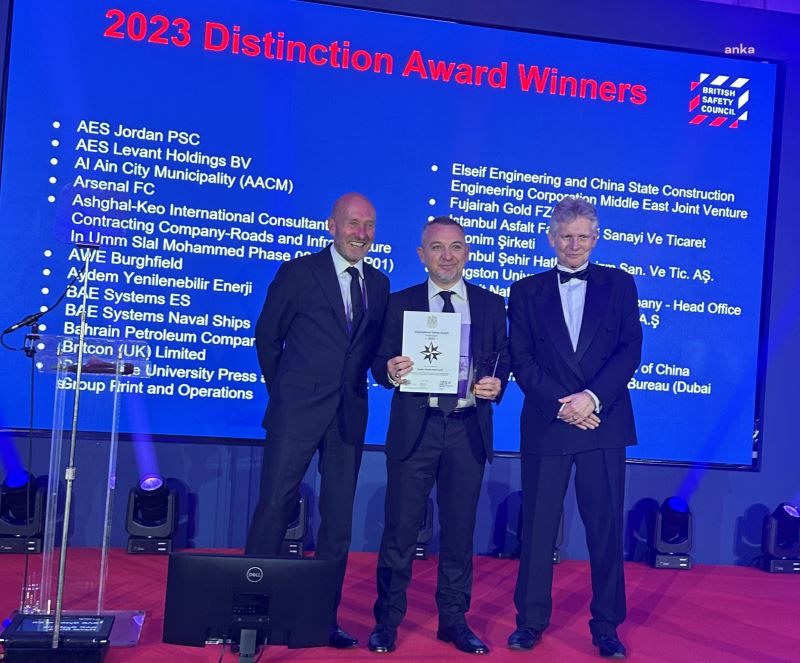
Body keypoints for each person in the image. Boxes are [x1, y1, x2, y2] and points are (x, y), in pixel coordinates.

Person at [245, 192, 389, 649]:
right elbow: (267, 338)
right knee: (274, 508)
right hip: (296, 413)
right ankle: (250, 618)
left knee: (338, 524)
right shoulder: (299, 273)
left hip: (348, 415)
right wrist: (286, 394)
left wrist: (390, 371)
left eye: (368, 225)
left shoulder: (379, 284)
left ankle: (321, 618)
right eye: (353, 223)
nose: (361, 233)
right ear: (332, 226)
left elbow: (371, 352)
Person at [367, 217, 510, 655]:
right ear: (421, 255)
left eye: (456, 247)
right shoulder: (400, 303)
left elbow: (503, 360)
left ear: (467, 252)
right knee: (400, 531)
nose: (447, 256)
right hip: (417, 427)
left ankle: (453, 621)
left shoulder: (490, 304)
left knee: (460, 533)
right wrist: (389, 370)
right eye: (437, 247)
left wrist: (497, 383)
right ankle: (387, 622)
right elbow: (377, 361)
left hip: (467, 428)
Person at [507, 196, 642, 659]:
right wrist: (562, 405)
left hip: (603, 423)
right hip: (549, 424)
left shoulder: (620, 285)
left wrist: (591, 399)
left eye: (583, 236)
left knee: (605, 530)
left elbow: (629, 350)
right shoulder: (525, 291)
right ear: (551, 238)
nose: (575, 245)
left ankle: (607, 626)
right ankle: (529, 622)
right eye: (566, 236)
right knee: (538, 528)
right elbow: (521, 358)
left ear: (596, 239)